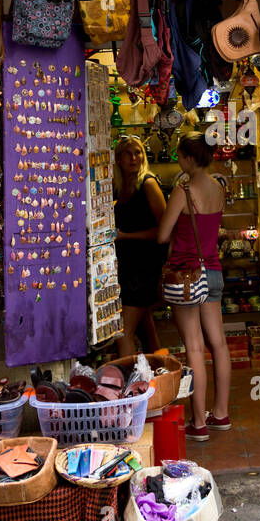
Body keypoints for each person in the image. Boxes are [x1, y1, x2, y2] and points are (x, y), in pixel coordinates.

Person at [157, 131, 232, 442]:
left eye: (180, 155)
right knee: (220, 344)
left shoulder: (182, 191)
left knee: (194, 347)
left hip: (187, 274)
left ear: (189, 157)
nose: (177, 159)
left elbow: (162, 235)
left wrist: (176, 238)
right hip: (213, 270)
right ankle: (221, 413)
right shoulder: (218, 187)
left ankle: (198, 422)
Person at [113, 136, 166, 356]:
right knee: (146, 329)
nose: (134, 158)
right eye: (128, 153)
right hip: (129, 266)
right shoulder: (120, 186)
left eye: (138, 152)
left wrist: (126, 236)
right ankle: (163, 379)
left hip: (144, 268)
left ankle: (132, 386)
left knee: (123, 332)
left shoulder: (148, 183)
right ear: (118, 158)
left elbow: (165, 230)